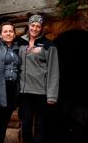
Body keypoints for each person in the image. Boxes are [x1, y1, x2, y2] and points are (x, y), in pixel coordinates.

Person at [18, 14, 59, 143]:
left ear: (41, 28)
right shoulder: (20, 42)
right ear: (28, 26)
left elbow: (53, 71)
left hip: (41, 92)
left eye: (38, 26)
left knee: (40, 126)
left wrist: (52, 95)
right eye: (32, 25)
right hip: (24, 93)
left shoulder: (48, 46)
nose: (34, 28)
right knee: (25, 126)